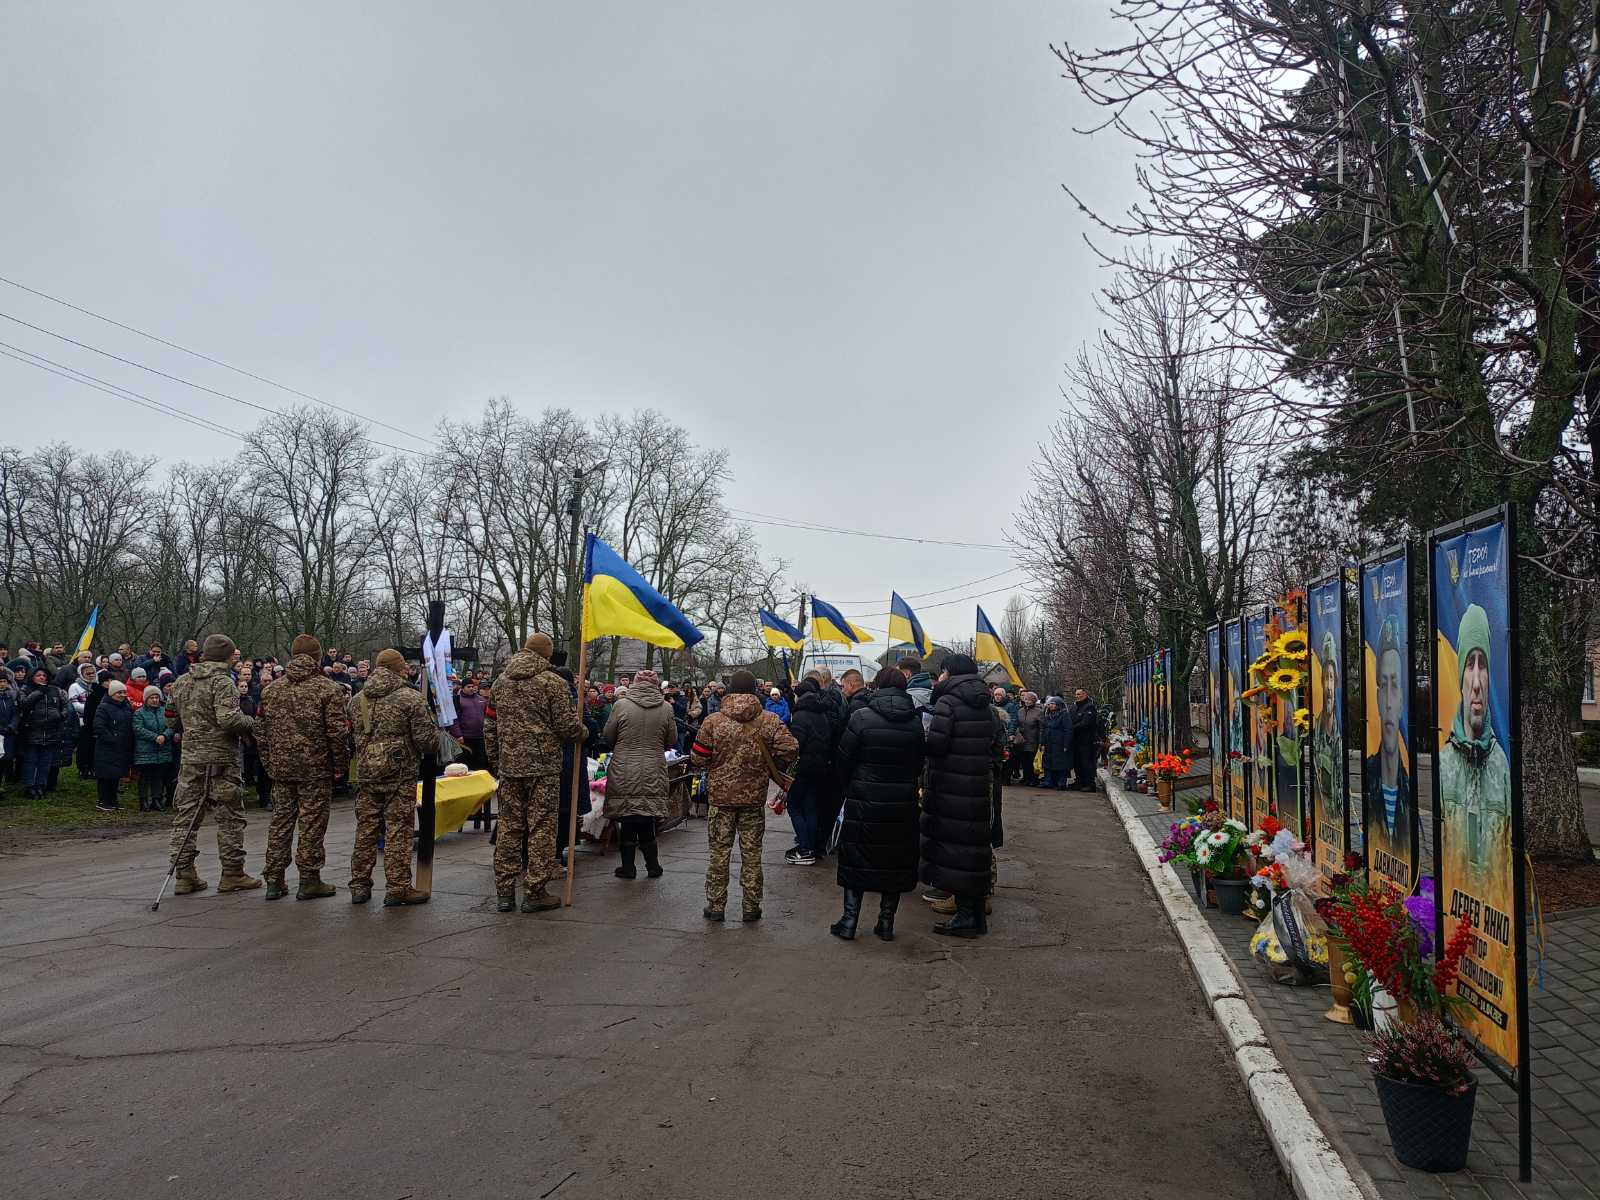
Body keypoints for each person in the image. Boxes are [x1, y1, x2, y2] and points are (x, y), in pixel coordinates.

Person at [484, 633, 586, 913]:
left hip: (509, 766)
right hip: (543, 767)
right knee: (541, 827)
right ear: (548, 655)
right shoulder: (553, 683)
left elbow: (489, 726)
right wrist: (583, 732)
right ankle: (535, 890)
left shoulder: (500, 682)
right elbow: (566, 726)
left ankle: (504, 892)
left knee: (509, 826)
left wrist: (497, 760)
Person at [690, 669, 797, 922]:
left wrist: (717, 765)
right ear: (755, 691)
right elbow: (791, 747)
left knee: (719, 852)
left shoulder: (713, 721)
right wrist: (769, 761)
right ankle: (751, 906)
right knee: (752, 854)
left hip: (720, 799)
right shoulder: (769, 720)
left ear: (728, 690)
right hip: (753, 799)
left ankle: (716, 906)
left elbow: (698, 757)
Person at [831, 667, 926, 941]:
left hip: (864, 797)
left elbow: (843, 760)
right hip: (901, 802)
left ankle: (849, 921)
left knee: (855, 858)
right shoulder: (914, 722)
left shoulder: (861, 717)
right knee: (895, 861)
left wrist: (852, 787)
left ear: (877, 686)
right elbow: (918, 763)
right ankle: (886, 923)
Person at [256, 634, 352, 902]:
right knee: (311, 824)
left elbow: (260, 733)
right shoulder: (328, 689)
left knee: (280, 823)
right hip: (316, 769)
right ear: (317, 657)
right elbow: (337, 733)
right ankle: (309, 879)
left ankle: (274, 880)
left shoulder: (271, 690)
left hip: (282, 770)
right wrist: (340, 766)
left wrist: (269, 762)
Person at [165, 635, 262, 894]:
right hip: (220, 760)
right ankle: (232, 873)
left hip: (191, 760)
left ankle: (184, 875)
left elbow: (172, 720)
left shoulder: (181, 682)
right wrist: (254, 724)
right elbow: (229, 720)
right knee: (229, 818)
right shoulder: (223, 683)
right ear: (228, 656)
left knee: (186, 818)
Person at [346, 648, 435, 906]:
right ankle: (397, 888)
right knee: (399, 831)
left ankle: (359, 886)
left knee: (365, 832)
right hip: (400, 775)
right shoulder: (411, 698)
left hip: (367, 774)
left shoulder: (357, 699)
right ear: (400, 669)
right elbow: (426, 741)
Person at [919, 654, 995, 938]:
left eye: (942, 672)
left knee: (954, 852)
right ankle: (976, 916)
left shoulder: (947, 702)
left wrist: (923, 738)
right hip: (976, 785)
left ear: (949, 673)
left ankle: (964, 917)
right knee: (973, 849)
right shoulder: (983, 703)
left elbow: (938, 744)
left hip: (951, 786)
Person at [1438, 604, 1511, 869]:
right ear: (1460, 677)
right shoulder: (1443, 766)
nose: (1477, 682)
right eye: (1470, 665)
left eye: (1483, 665)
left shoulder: (1501, 766)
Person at [601, 668, 677, 880]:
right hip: (653, 766)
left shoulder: (621, 705)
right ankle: (653, 866)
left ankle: (628, 868)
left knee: (628, 817)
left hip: (624, 767)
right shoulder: (666, 708)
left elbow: (608, 736)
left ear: (634, 683)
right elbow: (671, 740)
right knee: (646, 815)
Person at [1363, 615, 1413, 882]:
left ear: (1403, 697)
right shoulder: (1369, 776)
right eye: (1384, 685)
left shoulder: (1410, 788)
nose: (1390, 702)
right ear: (1377, 696)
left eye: (1396, 685)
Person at [783, 677, 837, 866]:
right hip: (819, 767)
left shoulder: (801, 716)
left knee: (794, 806)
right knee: (810, 807)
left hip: (802, 768)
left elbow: (795, 745)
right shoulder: (822, 713)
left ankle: (805, 849)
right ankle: (810, 846)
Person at [16, 665, 69, 800]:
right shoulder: (26, 689)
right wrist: (39, 691)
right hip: (32, 731)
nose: (42, 677)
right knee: (31, 761)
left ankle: (41, 785)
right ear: (33, 677)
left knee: (45, 762)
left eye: (44, 676)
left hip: (51, 731)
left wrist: (60, 715)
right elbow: (24, 703)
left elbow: (65, 706)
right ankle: (30, 787)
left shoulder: (55, 690)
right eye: (38, 675)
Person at [1312, 632, 1345, 829]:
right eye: (1325, 678)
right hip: (1325, 823)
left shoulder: (1341, 733)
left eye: (1332, 678)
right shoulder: (1316, 732)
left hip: (1338, 825)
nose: (1329, 687)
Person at [92, 679, 135, 810]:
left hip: (122, 746)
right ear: (112, 693)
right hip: (107, 747)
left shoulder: (126, 706)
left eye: (124, 692)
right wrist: (112, 738)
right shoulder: (103, 707)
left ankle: (113, 800)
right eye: (119, 692)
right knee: (105, 776)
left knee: (116, 775)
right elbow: (99, 726)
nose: (122, 695)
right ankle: (103, 801)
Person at [132, 685, 173, 811]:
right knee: (144, 777)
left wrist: (164, 736)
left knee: (158, 776)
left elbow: (171, 725)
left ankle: (156, 799)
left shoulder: (164, 711)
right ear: (146, 699)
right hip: (145, 750)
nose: (155, 700)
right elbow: (138, 729)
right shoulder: (139, 713)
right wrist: (155, 737)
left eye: (156, 697)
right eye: (151, 697)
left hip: (162, 749)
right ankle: (143, 800)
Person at [451, 678, 489, 771]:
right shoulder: (458, 700)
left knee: (480, 761)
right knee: (466, 761)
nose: (471, 688)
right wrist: (458, 734)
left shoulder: (481, 700)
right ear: (463, 688)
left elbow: (486, 716)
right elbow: (454, 719)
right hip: (465, 737)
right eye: (468, 687)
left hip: (480, 736)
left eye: (472, 686)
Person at [1070, 687, 1100, 790]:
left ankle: (1089, 784)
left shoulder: (1089, 707)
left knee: (1086, 762)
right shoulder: (1074, 707)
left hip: (1087, 740)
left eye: (1080, 694)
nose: (1077, 696)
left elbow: (1086, 723)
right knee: (1077, 762)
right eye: (1076, 694)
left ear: (1085, 695)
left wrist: (1072, 728)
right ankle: (1079, 781)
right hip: (1076, 740)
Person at [1040, 697, 1073, 789]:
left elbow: (1068, 730)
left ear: (1058, 705)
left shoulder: (1064, 715)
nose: (1050, 705)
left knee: (1061, 763)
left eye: (1053, 704)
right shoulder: (1047, 715)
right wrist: (1042, 743)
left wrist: (1066, 744)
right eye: (1050, 704)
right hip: (1048, 742)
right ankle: (1048, 781)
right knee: (1048, 763)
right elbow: (1043, 729)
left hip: (1059, 743)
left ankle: (1061, 782)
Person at [1014, 691, 1044, 786]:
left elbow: (1042, 728)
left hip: (1033, 740)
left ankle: (1034, 779)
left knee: (1032, 760)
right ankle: (1026, 778)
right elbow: (1016, 724)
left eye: (1029, 699)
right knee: (1024, 760)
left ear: (1034, 701)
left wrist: (1041, 741)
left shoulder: (1039, 712)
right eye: (1026, 699)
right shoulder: (1020, 711)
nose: (1027, 701)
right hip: (1022, 740)